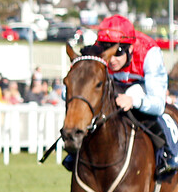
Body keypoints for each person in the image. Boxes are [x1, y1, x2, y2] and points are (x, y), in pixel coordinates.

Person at [63, 14, 178, 178]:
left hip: (142, 90)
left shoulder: (149, 53)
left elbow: (158, 104)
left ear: (130, 48)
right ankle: (76, 153)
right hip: (113, 88)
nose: (112, 60)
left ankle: (168, 154)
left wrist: (134, 101)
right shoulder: (97, 52)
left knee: (134, 93)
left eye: (117, 52)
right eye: (107, 51)